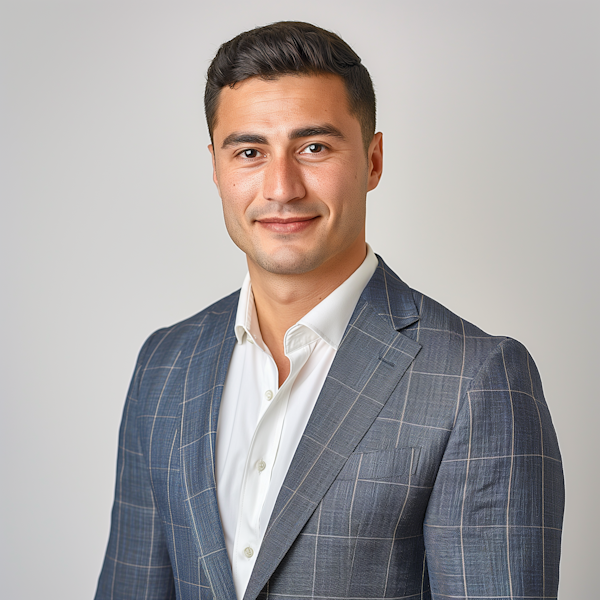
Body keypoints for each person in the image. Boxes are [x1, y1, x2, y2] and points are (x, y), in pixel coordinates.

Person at [95, 21, 564, 600]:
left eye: (313, 147)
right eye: (249, 151)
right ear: (216, 168)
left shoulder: (479, 380)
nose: (281, 187)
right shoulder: (164, 365)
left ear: (372, 161)